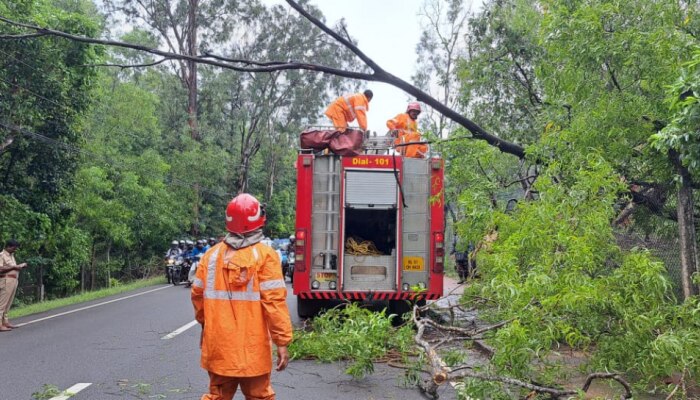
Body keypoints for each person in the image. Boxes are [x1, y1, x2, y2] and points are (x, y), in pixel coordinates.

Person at [192, 193, 293, 400]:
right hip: (253, 350)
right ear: (259, 219)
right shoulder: (266, 256)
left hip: (219, 347)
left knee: (217, 395)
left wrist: (205, 326)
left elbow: (197, 297)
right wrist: (281, 342)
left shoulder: (211, 256)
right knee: (259, 396)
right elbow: (274, 303)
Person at [0, 239, 27, 332]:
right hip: (6, 280)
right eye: (14, 248)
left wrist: (19, 266)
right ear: (8, 246)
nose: (15, 250)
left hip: (14, 280)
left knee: (8, 303)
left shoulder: (11, 256)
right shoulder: (2, 255)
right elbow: (0, 269)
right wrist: (15, 267)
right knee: (2, 303)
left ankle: (5, 322)